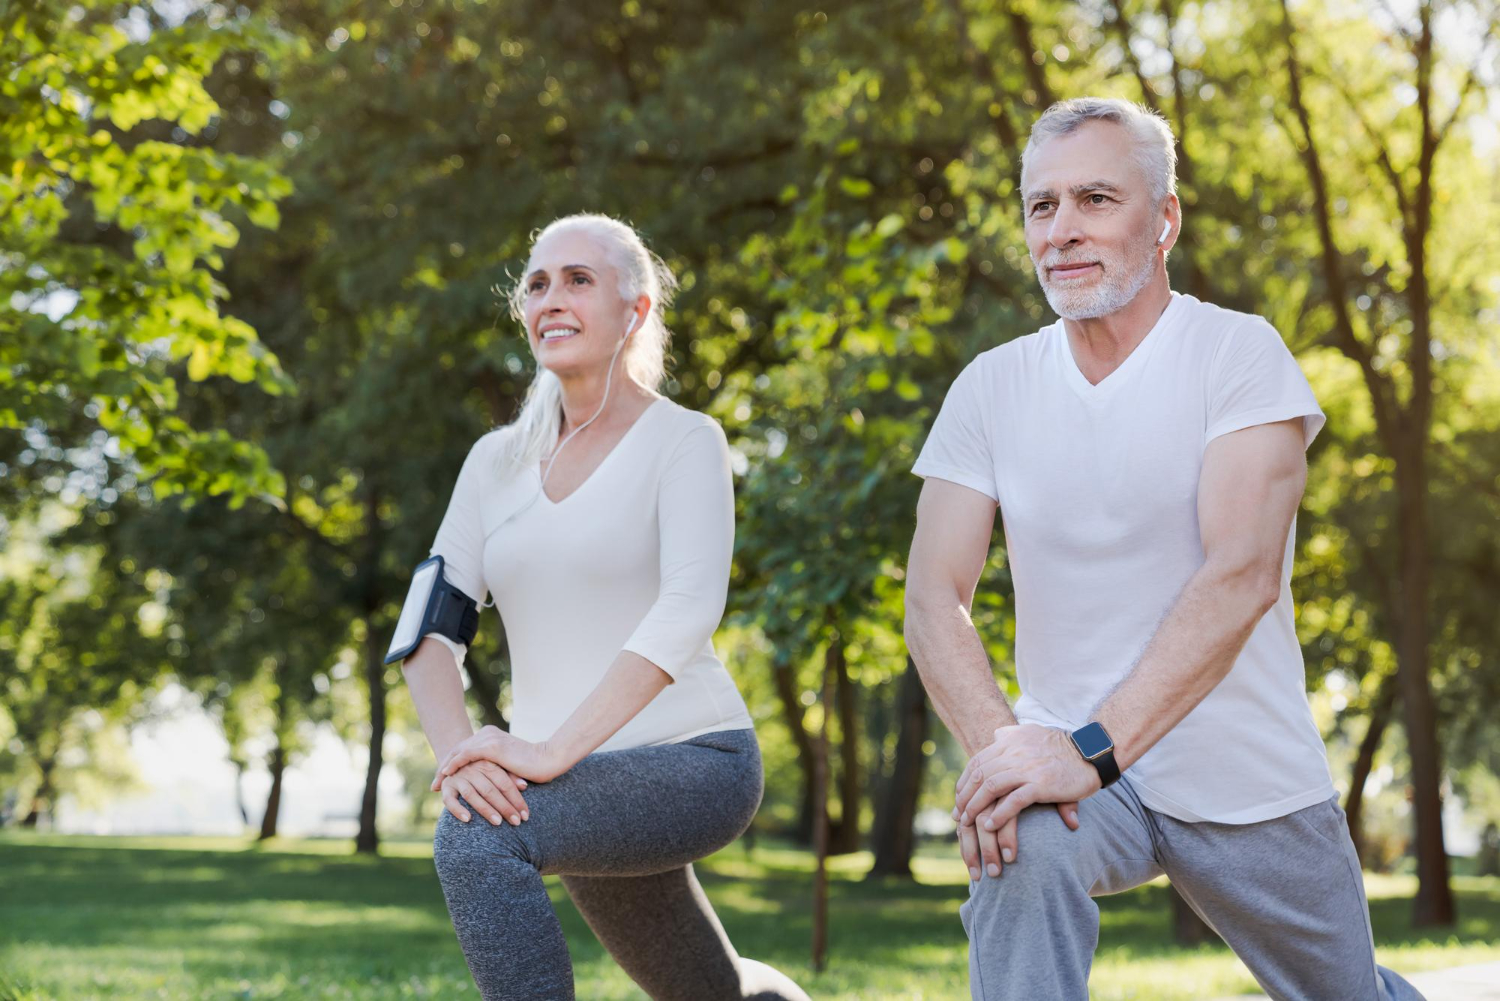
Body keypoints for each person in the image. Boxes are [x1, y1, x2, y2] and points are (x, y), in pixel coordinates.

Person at [903, 98, 1424, 1000]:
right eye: (1041, 205)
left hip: (1247, 778)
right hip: (1079, 782)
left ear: (1165, 219)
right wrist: (1010, 758)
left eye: (1096, 199)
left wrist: (1092, 747)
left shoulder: (1238, 357)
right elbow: (931, 596)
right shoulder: (991, 388)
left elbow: (1242, 575)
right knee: (1019, 851)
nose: (1061, 230)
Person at [399, 213, 809, 1001]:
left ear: (637, 309)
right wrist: (461, 761)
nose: (552, 298)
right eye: (538, 283)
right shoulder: (495, 462)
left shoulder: (684, 441)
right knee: (708, 993)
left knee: (477, 844)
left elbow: (689, 607)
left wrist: (550, 755)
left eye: (579, 280)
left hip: (697, 761)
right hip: (572, 779)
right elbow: (429, 628)